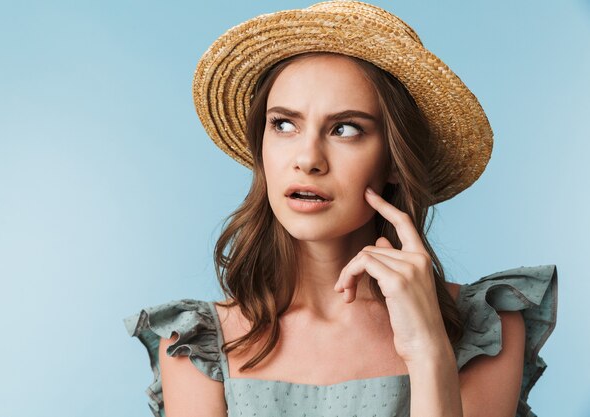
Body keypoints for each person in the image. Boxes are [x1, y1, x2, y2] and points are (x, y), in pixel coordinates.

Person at [123, 2, 558, 416]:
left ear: (392, 160)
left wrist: (427, 349)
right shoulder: (196, 344)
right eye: (284, 124)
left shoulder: (486, 329)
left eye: (345, 128)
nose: (308, 158)